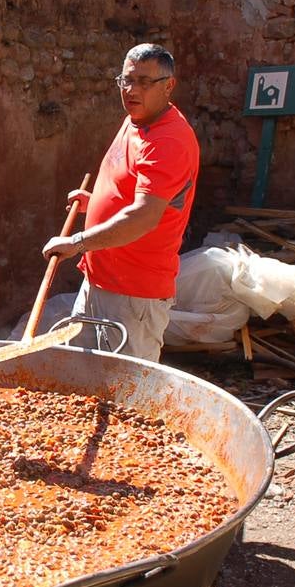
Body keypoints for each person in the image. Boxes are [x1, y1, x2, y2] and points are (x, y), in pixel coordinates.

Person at [41, 43, 199, 361]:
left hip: (134, 294)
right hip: (101, 279)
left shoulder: (169, 141)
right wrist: (96, 201)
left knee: (126, 394)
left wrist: (78, 242)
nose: (131, 90)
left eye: (144, 81)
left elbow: (143, 215)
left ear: (168, 86)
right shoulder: (137, 119)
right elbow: (130, 185)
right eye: (126, 80)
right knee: (81, 380)